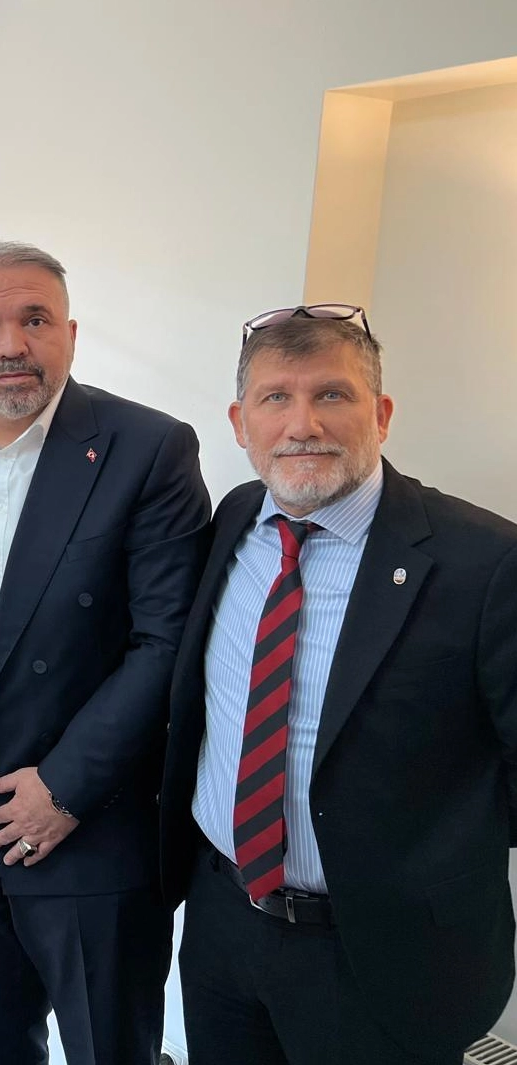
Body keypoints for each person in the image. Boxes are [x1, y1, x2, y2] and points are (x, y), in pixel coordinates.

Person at [159, 305, 517, 1065]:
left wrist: (424, 866)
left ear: (380, 414)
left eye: (332, 394)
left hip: (385, 955)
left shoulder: (486, 563)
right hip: (223, 923)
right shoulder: (234, 520)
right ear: (240, 423)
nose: (303, 424)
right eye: (276, 397)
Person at [0, 240, 210, 1065]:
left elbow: (166, 643)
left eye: (35, 319)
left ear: (70, 332)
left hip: (92, 832)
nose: (12, 344)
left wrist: (63, 788)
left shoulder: (149, 447)